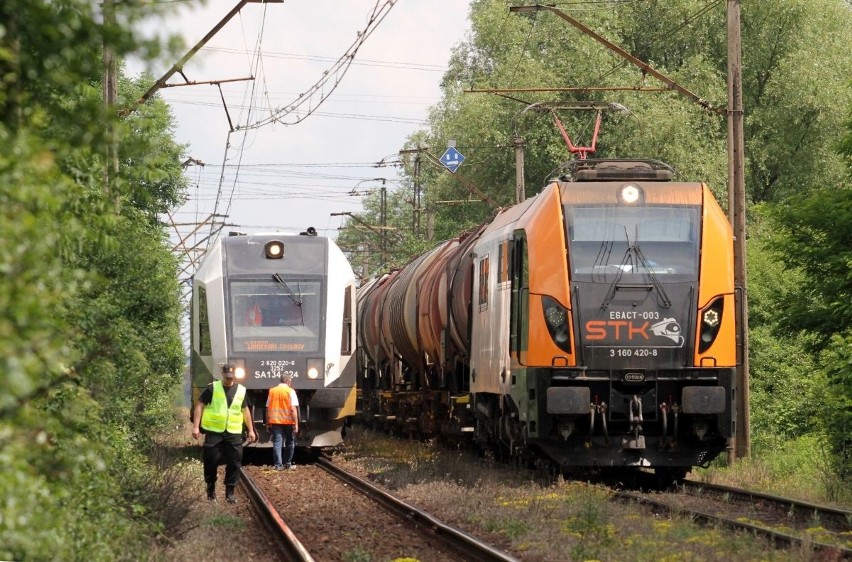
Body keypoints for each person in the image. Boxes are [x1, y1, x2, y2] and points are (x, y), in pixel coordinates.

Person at [192, 364, 257, 503]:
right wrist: (196, 427)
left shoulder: (241, 390)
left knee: (235, 462)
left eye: (231, 378)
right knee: (211, 461)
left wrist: (250, 430)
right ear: (222, 374)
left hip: (233, 432)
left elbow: (245, 411)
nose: (229, 380)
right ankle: (211, 491)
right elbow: (200, 405)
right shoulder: (212, 388)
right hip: (214, 432)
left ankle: (230, 493)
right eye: (227, 377)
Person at [266, 373, 300, 470]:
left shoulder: (272, 391)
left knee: (277, 443)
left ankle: (278, 465)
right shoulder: (291, 391)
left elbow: (267, 408)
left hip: (276, 421)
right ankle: (287, 464)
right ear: (289, 381)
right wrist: (296, 424)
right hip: (288, 422)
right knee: (290, 442)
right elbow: (293, 409)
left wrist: (268, 422)